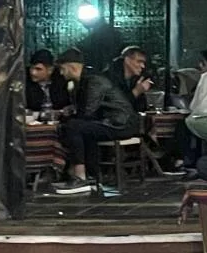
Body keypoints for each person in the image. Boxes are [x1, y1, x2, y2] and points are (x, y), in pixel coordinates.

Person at [54, 48, 142, 195]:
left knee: (74, 127)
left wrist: (67, 117)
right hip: (110, 122)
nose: (61, 73)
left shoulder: (94, 80)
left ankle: (80, 177)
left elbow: (88, 112)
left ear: (72, 67)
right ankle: (91, 177)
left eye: (62, 69)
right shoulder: (84, 81)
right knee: (83, 130)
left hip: (120, 124)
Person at [104, 46, 152, 112]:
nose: (143, 66)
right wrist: (136, 92)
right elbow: (113, 108)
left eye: (143, 63)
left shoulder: (137, 80)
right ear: (127, 60)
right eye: (139, 61)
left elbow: (141, 109)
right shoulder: (108, 78)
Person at [25, 49, 71, 113]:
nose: (33, 73)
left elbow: (66, 104)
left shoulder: (60, 80)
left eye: (38, 69)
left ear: (50, 70)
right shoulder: (25, 81)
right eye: (31, 68)